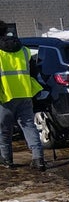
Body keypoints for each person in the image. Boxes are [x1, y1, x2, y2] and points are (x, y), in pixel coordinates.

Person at [0, 20, 46, 171]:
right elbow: (33, 72)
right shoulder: (24, 50)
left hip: (4, 96)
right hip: (25, 94)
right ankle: (38, 158)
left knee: (4, 130)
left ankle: (6, 159)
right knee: (29, 126)